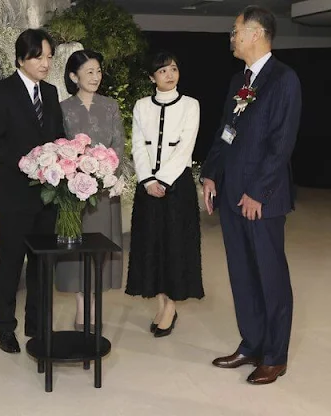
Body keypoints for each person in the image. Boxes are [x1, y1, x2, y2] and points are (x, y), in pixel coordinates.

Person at [201, 5, 302, 385]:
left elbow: (282, 143)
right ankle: (252, 343)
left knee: (270, 275)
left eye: (236, 30)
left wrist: (258, 192)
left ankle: (275, 356)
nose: (232, 36)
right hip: (230, 193)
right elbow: (224, 131)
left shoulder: (284, 80)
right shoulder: (238, 80)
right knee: (242, 274)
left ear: (256, 33)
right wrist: (211, 174)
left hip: (263, 199)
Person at [0, 29, 65, 354]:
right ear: (21, 58)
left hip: (48, 197)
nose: (45, 63)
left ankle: (37, 324)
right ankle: (5, 326)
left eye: (48, 57)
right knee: (10, 262)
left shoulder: (52, 92)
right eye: (38, 57)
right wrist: (26, 163)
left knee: (43, 264)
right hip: (16, 195)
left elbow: (57, 135)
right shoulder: (1, 92)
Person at [125, 51, 204, 338]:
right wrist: (147, 180)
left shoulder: (190, 105)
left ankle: (171, 306)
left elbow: (186, 146)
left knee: (174, 245)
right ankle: (160, 302)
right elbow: (137, 144)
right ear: (151, 77)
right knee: (151, 244)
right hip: (147, 186)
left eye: (173, 69)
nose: (169, 75)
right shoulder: (141, 105)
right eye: (162, 71)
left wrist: (164, 181)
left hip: (176, 186)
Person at [54, 50, 125, 331]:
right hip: (72, 194)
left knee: (100, 247)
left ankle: (94, 306)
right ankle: (81, 307)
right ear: (74, 76)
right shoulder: (62, 108)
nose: (96, 77)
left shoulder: (111, 106)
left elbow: (119, 145)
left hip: (104, 192)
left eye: (98, 71)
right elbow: (58, 146)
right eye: (89, 72)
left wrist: (105, 173)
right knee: (76, 249)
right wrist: (72, 174)